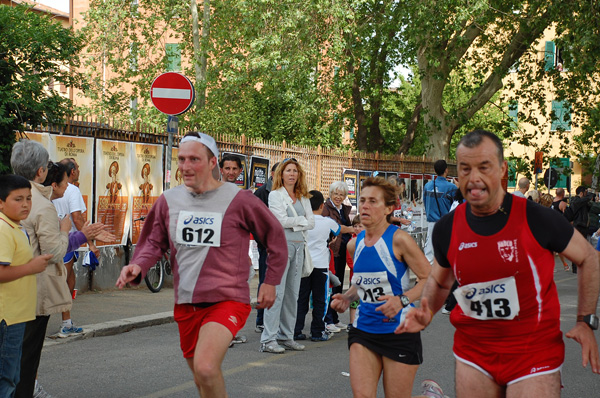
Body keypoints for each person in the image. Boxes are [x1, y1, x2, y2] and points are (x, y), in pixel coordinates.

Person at [397, 130, 600, 398]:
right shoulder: (447, 228)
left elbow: (589, 257)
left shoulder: (535, 217)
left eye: (484, 167)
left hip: (533, 352)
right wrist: (426, 311)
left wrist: (585, 320)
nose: (474, 178)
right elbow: (440, 279)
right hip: (474, 353)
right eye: (466, 169)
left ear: (503, 169)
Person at [116, 132, 288, 397]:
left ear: (212, 162)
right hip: (186, 302)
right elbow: (153, 240)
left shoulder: (239, 199)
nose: (185, 166)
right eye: (182, 159)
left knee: (206, 368)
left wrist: (270, 281)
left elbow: (275, 238)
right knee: (201, 379)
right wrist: (138, 264)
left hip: (227, 299)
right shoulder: (169, 201)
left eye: (194, 159)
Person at [12, 142, 111, 398]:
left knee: (13, 357)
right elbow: (54, 252)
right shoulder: (38, 204)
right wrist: (71, 232)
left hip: (14, 289)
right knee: (26, 358)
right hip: (33, 290)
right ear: (42, 172)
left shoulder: (11, 198)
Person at [330, 177, 431, 398]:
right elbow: (364, 281)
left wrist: (402, 300)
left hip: (399, 331)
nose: (365, 206)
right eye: (363, 200)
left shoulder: (400, 240)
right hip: (364, 329)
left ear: (388, 208)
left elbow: (428, 279)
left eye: (373, 201)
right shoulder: (354, 244)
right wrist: (347, 297)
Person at [0, 175, 52, 398]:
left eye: (29, 199)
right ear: (1, 203)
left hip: (17, 316)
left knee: (12, 375)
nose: (25, 204)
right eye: (18, 199)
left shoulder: (16, 226)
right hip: (7, 318)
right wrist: (32, 267)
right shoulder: (3, 229)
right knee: (6, 378)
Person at [260, 158, 315, 354]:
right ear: (281, 174)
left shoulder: (304, 197)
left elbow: (312, 223)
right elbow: (279, 220)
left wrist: (296, 222)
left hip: (299, 247)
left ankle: (286, 336)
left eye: (295, 171)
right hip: (281, 248)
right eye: (288, 170)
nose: (292, 174)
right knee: (277, 293)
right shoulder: (275, 195)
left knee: (293, 294)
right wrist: (300, 221)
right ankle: (268, 339)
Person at [52, 158, 97, 338]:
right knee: (62, 283)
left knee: (70, 279)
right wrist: (91, 243)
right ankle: (60, 323)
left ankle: (67, 322)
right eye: (77, 167)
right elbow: (77, 218)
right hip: (65, 239)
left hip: (54, 237)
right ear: (72, 172)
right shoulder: (72, 189)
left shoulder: (52, 188)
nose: (78, 170)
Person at [294, 190, 341, 342]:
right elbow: (338, 230)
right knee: (320, 300)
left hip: (303, 265)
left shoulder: (301, 220)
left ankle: (296, 330)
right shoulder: (328, 222)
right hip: (321, 266)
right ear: (322, 205)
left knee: (301, 299)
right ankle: (317, 332)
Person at [322, 181, 354, 333]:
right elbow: (333, 228)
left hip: (343, 251)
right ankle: (328, 320)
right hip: (332, 250)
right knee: (331, 285)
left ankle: (334, 318)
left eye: (341, 194)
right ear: (331, 194)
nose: (338, 197)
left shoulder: (343, 209)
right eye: (336, 194)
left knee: (339, 284)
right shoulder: (326, 208)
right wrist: (350, 229)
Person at [253, 162, 279, 333]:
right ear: (272, 173)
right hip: (267, 247)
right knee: (265, 281)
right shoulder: (262, 193)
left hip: (284, 247)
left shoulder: (288, 192)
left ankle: (276, 321)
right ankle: (261, 319)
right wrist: (264, 243)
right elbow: (255, 222)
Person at [423, 160, 457, 265]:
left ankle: (426, 278)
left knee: (429, 254)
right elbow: (457, 205)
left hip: (431, 224)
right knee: (446, 253)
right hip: (446, 224)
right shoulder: (452, 188)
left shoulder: (427, 186)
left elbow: (425, 202)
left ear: (434, 170)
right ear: (446, 170)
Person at [569, 186, 595, 274]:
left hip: (584, 227)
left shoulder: (582, 202)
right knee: (577, 248)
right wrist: (590, 193)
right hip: (578, 226)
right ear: (581, 193)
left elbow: (590, 205)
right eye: (585, 192)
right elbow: (586, 199)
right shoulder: (575, 200)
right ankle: (575, 268)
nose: (586, 194)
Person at [346, 215, 365, 326]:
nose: (357, 228)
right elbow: (350, 261)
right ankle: (352, 322)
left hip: (368, 279)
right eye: (355, 226)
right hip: (355, 276)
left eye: (360, 226)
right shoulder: (352, 241)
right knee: (354, 301)